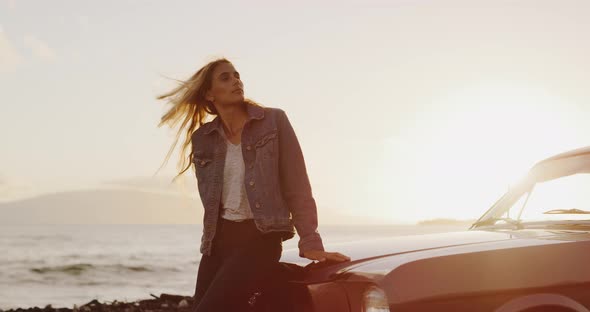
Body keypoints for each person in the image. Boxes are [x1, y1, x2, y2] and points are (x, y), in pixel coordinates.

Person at [157, 57, 350, 311]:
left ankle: (272, 272)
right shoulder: (203, 138)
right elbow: (213, 201)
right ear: (208, 94)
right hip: (217, 243)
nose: (236, 81)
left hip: (259, 237)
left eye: (237, 75)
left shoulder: (273, 122)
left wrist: (310, 242)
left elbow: (298, 187)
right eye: (225, 78)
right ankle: (276, 277)